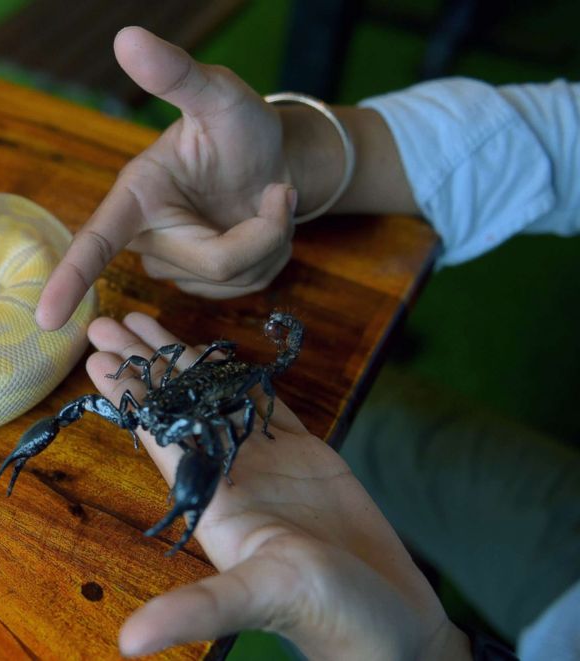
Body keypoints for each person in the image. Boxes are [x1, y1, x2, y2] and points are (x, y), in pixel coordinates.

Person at [35, 26, 580, 659]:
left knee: (267, 443)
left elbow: (237, 420)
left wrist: (433, 652)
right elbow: (553, 139)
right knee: (374, 421)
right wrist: (301, 154)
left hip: (233, 395)